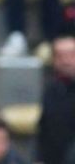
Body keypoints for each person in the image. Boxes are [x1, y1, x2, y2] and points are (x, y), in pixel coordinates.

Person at [35, 34, 75, 164]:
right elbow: (43, 128)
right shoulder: (50, 90)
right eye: (60, 56)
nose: (66, 61)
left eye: (71, 55)